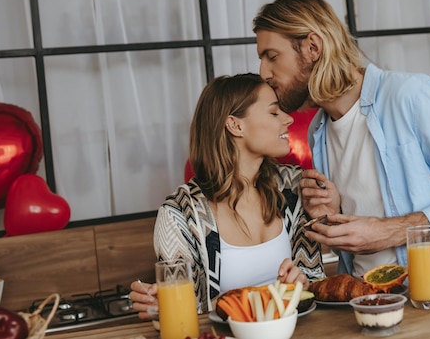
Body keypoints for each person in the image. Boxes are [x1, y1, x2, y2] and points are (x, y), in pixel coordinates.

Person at [252, 0, 430, 277]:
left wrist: (389, 231)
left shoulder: (413, 97)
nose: (263, 72)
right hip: (371, 302)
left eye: (272, 56)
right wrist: (335, 214)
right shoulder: (319, 130)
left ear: (312, 48)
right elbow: (363, 237)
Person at [129, 73, 325, 318]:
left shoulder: (295, 188)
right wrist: (160, 305)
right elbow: (185, 311)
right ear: (235, 125)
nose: (287, 119)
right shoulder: (179, 214)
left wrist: (304, 284)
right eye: (274, 113)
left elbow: (316, 281)